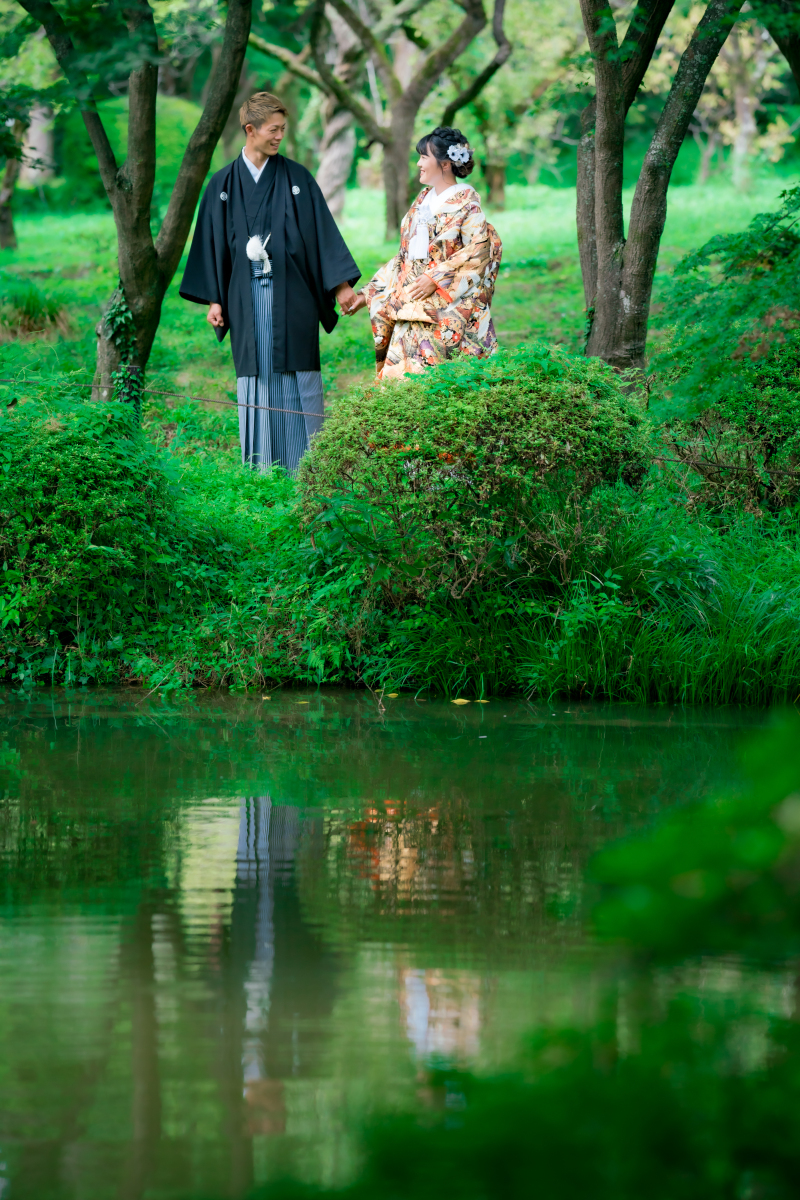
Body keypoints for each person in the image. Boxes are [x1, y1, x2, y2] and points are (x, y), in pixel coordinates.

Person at [180, 93, 361, 472]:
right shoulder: (221, 184)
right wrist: (215, 300)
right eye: (273, 130)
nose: (280, 136)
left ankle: (309, 466)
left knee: (298, 369)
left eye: (283, 129)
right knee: (256, 372)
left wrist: (341, 286)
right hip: (243, 296)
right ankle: (261, 468)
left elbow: (322, 235)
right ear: (251, 130)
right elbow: (212, 245)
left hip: (294, 294)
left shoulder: (297, 178)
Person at [345, 126, 501, 378]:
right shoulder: (421, 201)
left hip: (447, 308)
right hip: (412, 304)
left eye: (423, 157)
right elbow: (404, 259)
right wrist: (369, 293)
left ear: (445, 164)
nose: (418, 163)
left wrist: (435, 278)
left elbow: (480, 252)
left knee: (441, 380)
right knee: (401, 379)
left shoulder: (467, 204)